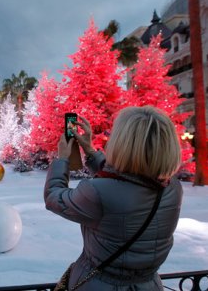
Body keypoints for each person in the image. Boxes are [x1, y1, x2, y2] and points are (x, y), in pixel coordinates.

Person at [44, 106, 183, 290]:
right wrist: (90, 151)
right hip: (148, 285)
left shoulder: (97, 192)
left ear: (122, 144)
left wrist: (62, 159)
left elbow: (54, 197)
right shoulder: (172, 188)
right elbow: (130, 179)